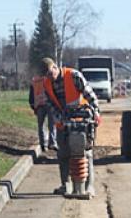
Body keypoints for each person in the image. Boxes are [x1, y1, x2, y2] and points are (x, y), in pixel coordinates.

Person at [40, 57, 100, 196]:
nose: (50, 77)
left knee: (85, 152)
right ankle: (65, 184)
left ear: (55, 67)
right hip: (64, 120)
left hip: (82, 118)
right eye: (46, 75)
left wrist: (96, 111)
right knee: (63, 153)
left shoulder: (73, 75)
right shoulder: (46, 83)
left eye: (50, 73)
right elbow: (50, 104)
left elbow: (89, 95)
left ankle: (88, 186)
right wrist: (58, 118)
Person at [29, 73, 56, 151]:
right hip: (50, 104)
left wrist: (33, 105)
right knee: (52, 125)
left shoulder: (34, 80)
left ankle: (43, 144)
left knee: (41, 126)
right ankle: (52, 143)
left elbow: (31, 95)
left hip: (39, 105)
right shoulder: (49, 79)